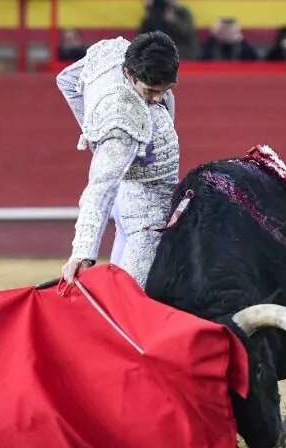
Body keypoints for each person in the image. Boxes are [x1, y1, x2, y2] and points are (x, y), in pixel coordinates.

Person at [56, 32, 180, 289]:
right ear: (129, 74)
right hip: (147, 217)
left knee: (117, 296)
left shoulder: (115, 50)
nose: (158, 99)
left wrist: (92, 128)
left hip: (129, 199)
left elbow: (66, 79)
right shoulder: (121, 124)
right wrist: (82, 252)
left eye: (165, 90)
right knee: (130, 301)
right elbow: (99, 189)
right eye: (150, 91)